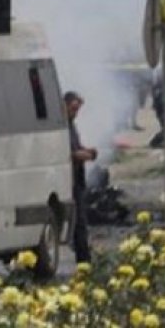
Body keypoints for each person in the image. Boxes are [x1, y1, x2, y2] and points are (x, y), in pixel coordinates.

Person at [64, 91, 97, 263]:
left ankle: (84, 256)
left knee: (80, 222)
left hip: (77, 179)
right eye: (73, 109)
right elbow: (69, 152)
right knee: (78, 223)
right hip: (69, 180)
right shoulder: (62, 127)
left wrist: (87, 150)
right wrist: (85, 155)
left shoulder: (71, 125)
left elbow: (77, 147)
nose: (75, 113)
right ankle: (83, 259)